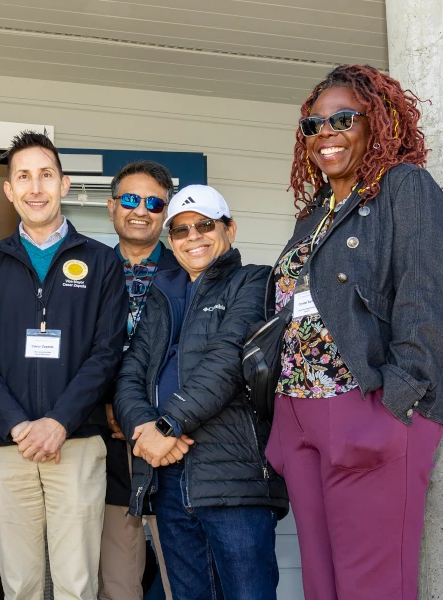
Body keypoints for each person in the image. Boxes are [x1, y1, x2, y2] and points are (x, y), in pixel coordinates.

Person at [266, 64, 443, 600]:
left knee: (372, 587)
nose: (324, 133)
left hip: (368, 404)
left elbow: (428, 304)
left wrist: (393, 406)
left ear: (376, 124)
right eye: (313, 125)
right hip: (299, 414)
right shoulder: (315, 212)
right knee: (323, 587)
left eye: (342, 119)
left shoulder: (404, 189)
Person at [0, 131, 127, 600]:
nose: (36, 187)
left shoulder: (100, 263)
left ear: (64, 184)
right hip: (6, 448)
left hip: (75, 444)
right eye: (24, 177)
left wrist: (57, 422)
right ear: (8, 190)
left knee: (76, 584)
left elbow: (106, 352)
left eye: (46, 175)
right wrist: (17, 425)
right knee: (20, 585)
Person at [115, 185, 288, 600]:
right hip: (170, 476)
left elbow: (226, 360)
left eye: (205, 225)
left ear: (230, 229)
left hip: (233, 476)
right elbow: (130, 374)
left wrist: (167, 424)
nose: (193, 237)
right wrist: (146, 430)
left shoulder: (255, 281)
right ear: (170, 241)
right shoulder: (161, 294)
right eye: (180, 230)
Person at [100, 160, 173, 600]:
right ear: (112, 207)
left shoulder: (185, 272)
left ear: (164, 212)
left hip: (170, 440)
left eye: (153, 202)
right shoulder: (87, 271)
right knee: (117, 580)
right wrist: (107, 406)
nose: (140, 210)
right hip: (107, 440)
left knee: (179, 575)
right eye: (130, 199)